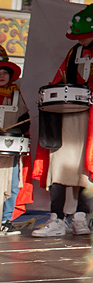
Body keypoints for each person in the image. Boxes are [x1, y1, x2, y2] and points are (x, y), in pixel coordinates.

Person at [32, 4, 93, 238]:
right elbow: (60, 78)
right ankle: (56, 218)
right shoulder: (73, 52)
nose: (79, 40)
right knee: (58, 166)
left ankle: (80, 217)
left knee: (86, 169)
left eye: (82, 35)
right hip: (66, 118)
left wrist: (90, 89)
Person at [0, 48, 29, 235]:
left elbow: (24, 120)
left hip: (9, 149)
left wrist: (18, 130)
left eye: (4, 73)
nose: (1, 76)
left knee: (12, 184)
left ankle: (6, 220)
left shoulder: (16, 95)